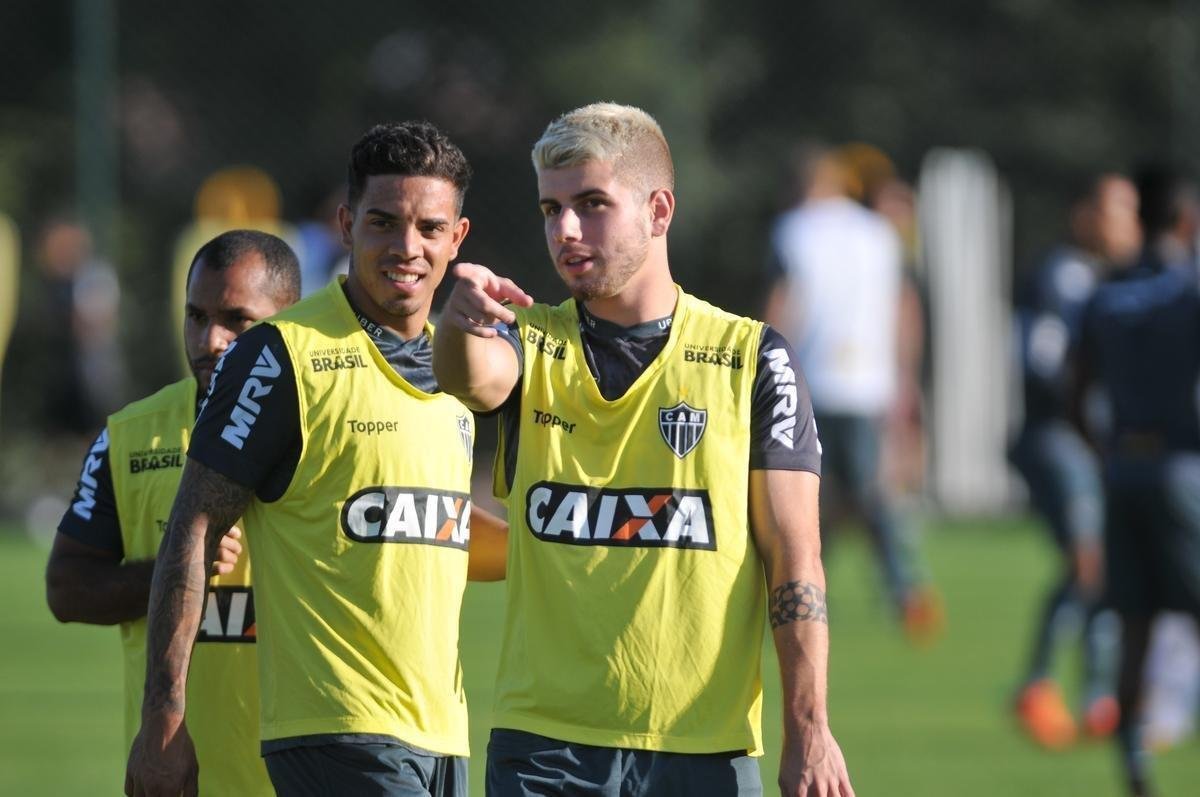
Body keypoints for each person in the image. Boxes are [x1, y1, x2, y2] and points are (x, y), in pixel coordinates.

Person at [433, 103, 854, 797]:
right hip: (545, 748)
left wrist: (809, 728)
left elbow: (796, 559)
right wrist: (457, 322)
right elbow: (470, 377)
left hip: (702, 747)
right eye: (550, 208)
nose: (564, 229)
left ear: (658, 210)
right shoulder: (529, 343)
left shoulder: (749, 358)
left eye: (592, 204)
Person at [124, 121, 507, 797]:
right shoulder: (277, 355)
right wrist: (164, 716)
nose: (406, 247)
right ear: (346, 223)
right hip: (336, 730)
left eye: (428, 228)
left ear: (458, 237)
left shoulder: (458, 368)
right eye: (383, 223)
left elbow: (432, 524)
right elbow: (194, 522)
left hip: (443, 733)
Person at [47, 229, 302, 795]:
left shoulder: (335, 430)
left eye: (237, 320)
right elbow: (66, 589)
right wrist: (175, 566)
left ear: (292, 322)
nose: (210, 339)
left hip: (314, 776)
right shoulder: (131, 436)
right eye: (195, 315)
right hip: (183, 780)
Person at [763, 144, 941, 643]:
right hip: (868, 384)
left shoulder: (792, 231)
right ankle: (901, 589)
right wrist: (905, 378)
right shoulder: (880, 234)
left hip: (811, 380)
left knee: (808, 494)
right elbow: (905, 307)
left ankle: (802, 585)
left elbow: (783, 305)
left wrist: (768, 373)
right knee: (864, 494)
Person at [1075, 166, 1200, 797]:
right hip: (1184, 470)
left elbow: (1073, 389)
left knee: (1135, 629)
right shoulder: (1189, 289)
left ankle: (1136, 776)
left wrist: (1103, 450)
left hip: (1124, 470)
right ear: (1185, 220)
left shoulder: (1106, 293)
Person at [1009, 173, 1140, 748]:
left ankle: (1099, 698)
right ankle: (1042, 687)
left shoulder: (1105, 279)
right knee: (1091, 562)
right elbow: (1042, 362)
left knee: (1102, 566)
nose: (1126, 224)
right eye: (1116, 210)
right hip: (1057, 437)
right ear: (1084, 215)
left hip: (1088, 442)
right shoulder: (1063, 276)